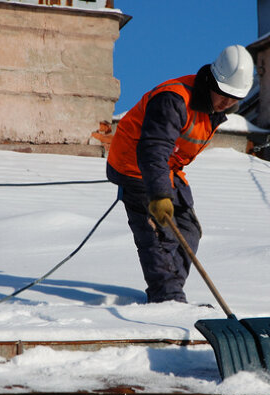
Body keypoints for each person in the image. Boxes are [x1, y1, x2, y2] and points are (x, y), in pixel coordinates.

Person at [106, 45, 254, 304]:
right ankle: (167, 297)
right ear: (212, 80)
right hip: (135, 166)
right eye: (224, 95)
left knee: (188, 230)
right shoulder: (174, 100)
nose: (227, 103)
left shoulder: (212, 110)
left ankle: (169, 292)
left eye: (234, 98)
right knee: (159, 233)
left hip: (168, 169)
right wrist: (160, 195)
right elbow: (153, 149)